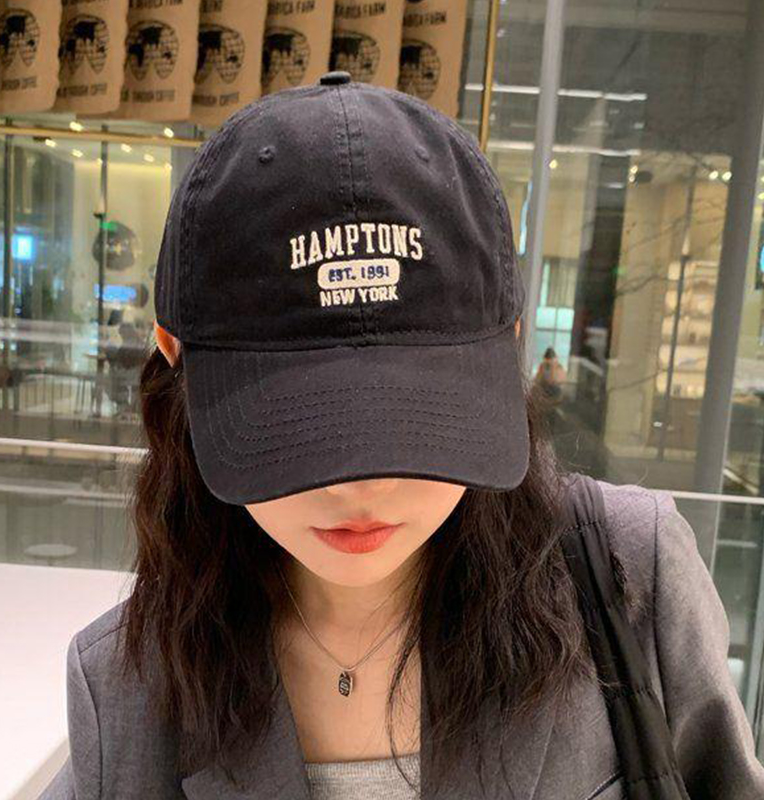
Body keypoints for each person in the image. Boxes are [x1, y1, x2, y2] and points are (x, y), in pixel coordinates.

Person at [38, 71, 764, 800]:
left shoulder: (628, 578)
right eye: (299, 427)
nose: (363, 484)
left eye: (417, 419)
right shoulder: (128, 688)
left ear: (509, 341)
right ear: (174, 352)